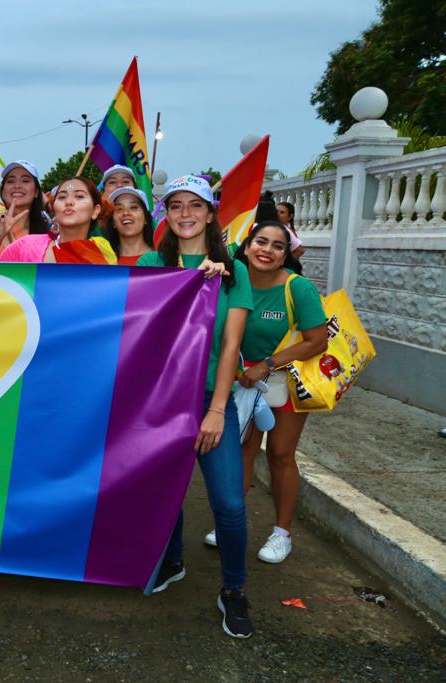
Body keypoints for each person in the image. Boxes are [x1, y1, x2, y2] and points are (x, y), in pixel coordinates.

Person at [137, 174, 255, 639]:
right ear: (167, 214)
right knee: (162, 490)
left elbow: (231, 346)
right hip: (162, 399)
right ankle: (172, 561)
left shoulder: (234, 271)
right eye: (176, 206)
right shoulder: (152, 261)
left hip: (210, 398)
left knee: (228, 503)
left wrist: (217, 409)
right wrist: (187, 284)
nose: (185, 214)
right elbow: (143, 327)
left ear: (211, 213)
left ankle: (234, 589)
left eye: (195, 205)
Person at [222, 221, 327, 564]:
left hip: (284, 382)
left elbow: (317, 340)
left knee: (280, 454)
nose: (267, 250)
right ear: (247, 246)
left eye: (277, 246)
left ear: (286, 254)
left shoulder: (298, 289)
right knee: (241, 450)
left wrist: (266, 364)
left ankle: (282, 533)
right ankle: (230, 525)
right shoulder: (231, 282)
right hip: (241, 381)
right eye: (260, 242)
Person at [0, 176, 114, 263]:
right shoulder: (26, 246)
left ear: (95, 211)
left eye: (79, 196)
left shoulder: (103, 251)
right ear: (55, 209)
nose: (69, 202)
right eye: (62, 197)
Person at [104, 187, 155, 265]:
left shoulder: (163, 260)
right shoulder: (102, 261)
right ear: (113, 222)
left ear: (146, 219)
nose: (126, 213)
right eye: (119, 209)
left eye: (133, 207)